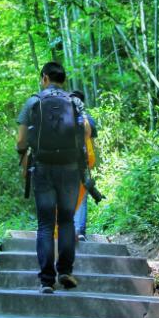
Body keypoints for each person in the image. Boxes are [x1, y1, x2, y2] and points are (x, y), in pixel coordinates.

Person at [16, 62, 91, 294]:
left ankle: (47, 281)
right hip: (69, 168)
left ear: (45, 77)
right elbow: (87, 130)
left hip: (43, 168)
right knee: (67, 220)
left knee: (46, 224)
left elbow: (20, 141)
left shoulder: (34, 101)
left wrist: (23, 155)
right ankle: (66, 271)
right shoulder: (74, 101)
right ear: (63, 80)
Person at [70, 90, 98, 241]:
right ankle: (79, 230)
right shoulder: (88, 119)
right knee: (81, 195)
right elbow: (92, 142)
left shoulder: (63, 117)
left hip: (65, 161)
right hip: (83, 162)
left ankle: (67, 229)